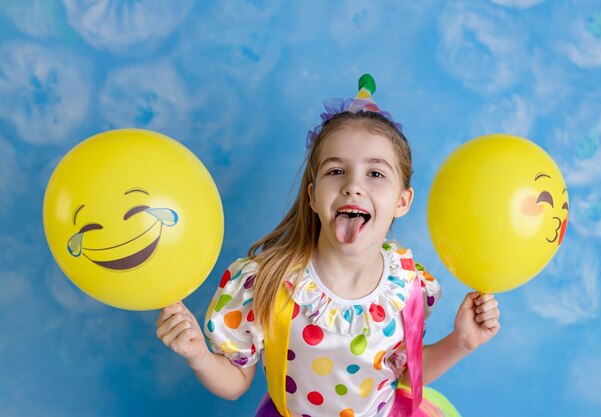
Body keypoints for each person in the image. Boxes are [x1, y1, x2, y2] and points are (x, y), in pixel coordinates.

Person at [156, 74, 501, 417]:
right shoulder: (263, 282)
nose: (353, 185)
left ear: (402, 201)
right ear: (312, 197)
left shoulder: (409, 286)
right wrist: (198, 355)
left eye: (376, 174)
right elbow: (235, 383)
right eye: (336, 171)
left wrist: (462, 342)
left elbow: (405, 373)